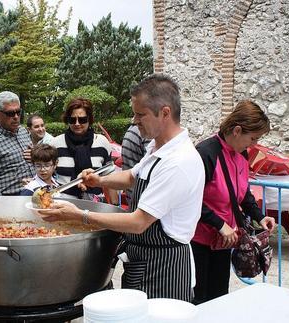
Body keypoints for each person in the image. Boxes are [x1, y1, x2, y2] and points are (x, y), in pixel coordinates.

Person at [39, 74, 205, 302]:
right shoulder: (158, 147)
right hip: (143, 261)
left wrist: (80, 215)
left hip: (164, 267)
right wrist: (99, 181)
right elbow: (131, 177)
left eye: (140, 114)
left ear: (165, 113)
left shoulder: (178, 161)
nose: (134, 121)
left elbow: (138, 222)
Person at [192, 100, 276, 304]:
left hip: (225, 241)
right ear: (237, 130)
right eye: (253, 138)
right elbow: (190, 199)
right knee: (198, 299)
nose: (254, 144)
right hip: (198, 242)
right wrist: (220, 225)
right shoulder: (205, 153)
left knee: (219, 297)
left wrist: (259, 216)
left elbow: (242, 193)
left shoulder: (242, 153)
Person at [49, 98, 113, 201]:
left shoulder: (102, 142)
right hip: (64, 203)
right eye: (72, 120)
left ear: (89, 119)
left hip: (94, 204)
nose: (77, 124)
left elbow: (109, 178)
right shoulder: (55, 144)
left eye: (82, 119)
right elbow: (48, 176)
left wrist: (114, 206)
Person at [0, 91, 35, 196]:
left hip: (33, 193)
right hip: (11, 199)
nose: (16, 116)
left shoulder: (23, 131)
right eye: (10, 113)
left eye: (18, 112)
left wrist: (35, 155)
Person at [121, 124, 151, 206]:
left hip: (137, 203)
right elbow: (132, 175)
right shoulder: (146, 134)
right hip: (141, 204)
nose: (136, 120)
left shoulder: (134, 130)